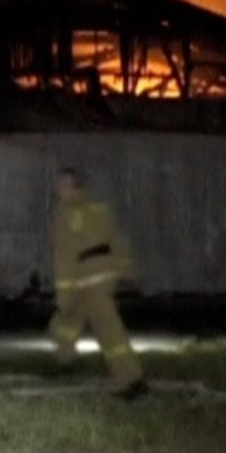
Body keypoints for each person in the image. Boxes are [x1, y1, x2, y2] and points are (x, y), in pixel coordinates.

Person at [48, 168, 146, 399]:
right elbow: (117, 239)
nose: (58, 189)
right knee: (68, 321)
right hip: (106, 273)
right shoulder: (99, 206)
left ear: (70, 185)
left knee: (108, 331)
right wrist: (126, 268)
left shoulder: (67, 212)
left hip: (87, 278)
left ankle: (131, 381)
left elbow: (65, 255)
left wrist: (64, 293)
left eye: (61, 184)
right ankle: (65, 360)